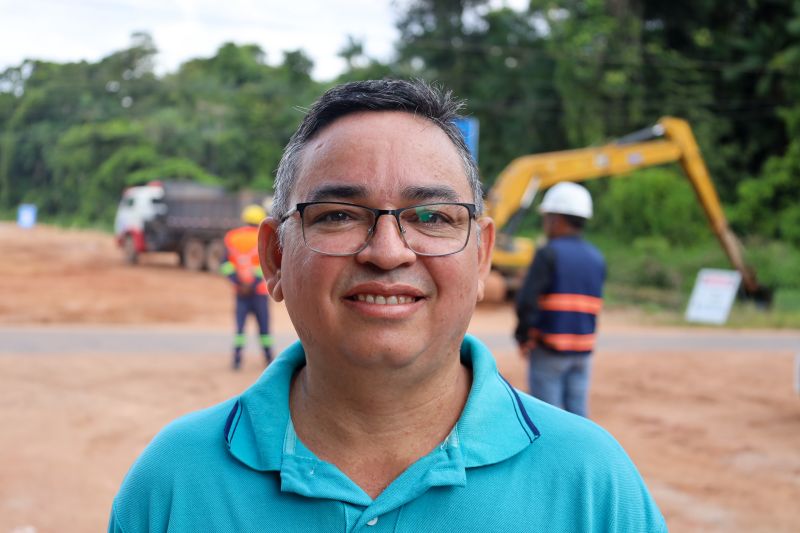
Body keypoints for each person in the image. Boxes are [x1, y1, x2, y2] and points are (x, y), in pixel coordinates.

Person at [108, 80, 665, 532]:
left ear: (482, 257)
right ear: (275, 257)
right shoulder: (174, 483)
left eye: (432, 218)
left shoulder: (592, 487)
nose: (387, 252)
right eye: (338, 215)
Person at [515, 182, 606, 417]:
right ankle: (578, 455)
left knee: (548, 419)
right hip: (582, 353)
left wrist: (523, 336)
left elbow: (527, 301)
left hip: (550, 351)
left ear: (556, 219)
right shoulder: (596, 258)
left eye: (547, 218)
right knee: (577, 418)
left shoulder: (548, 253)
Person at [221, 204, 273, 369]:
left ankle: (236, 361)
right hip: (258, 291)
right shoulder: (264, 237)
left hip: (240, 292)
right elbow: (266, 265)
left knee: (240, 329)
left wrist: (237, 281)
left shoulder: (231, 237)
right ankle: (269, 359)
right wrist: (253, 283)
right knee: (264, 329)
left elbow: (225, 264)